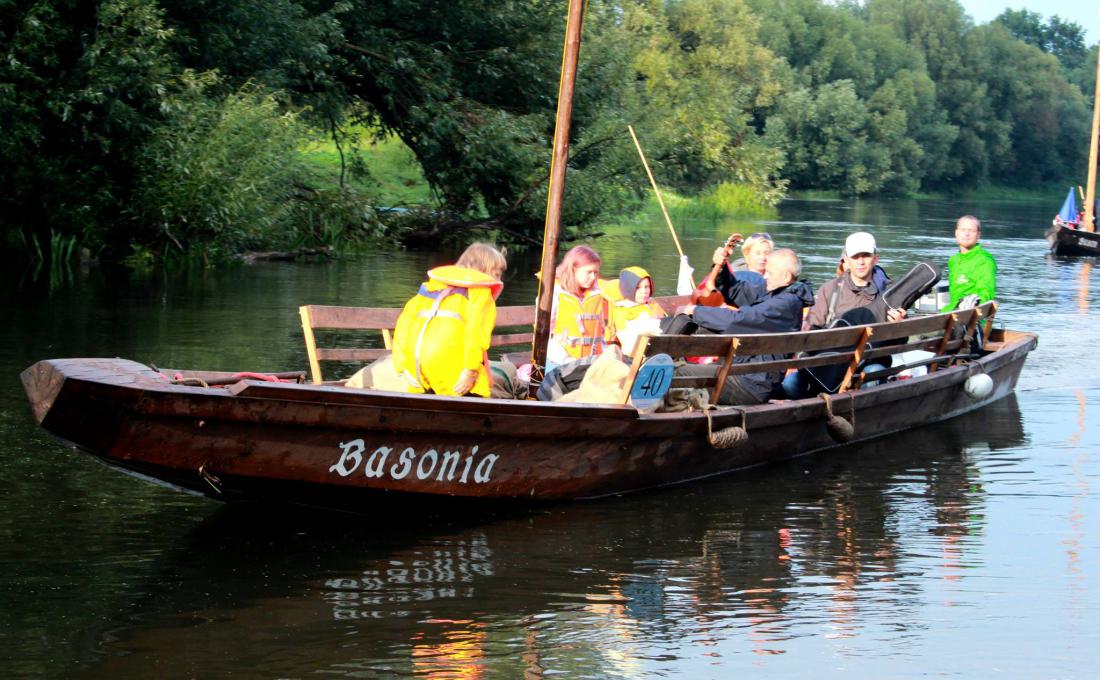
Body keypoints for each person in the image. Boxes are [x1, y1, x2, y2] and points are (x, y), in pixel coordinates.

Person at [671, 249, 815, 405]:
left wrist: (695, 311)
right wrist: (721, 267)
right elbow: (737, 291)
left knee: (677, 372)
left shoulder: (784, 304)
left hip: (750, 384)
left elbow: (737, 321)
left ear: (786, 277)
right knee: (681, 369)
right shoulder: (775, 292)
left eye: (770, 272)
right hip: (742, 371)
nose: (764, 276)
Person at [392, 242, 506, 397]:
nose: (499, 280)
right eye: (497, 274)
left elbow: (402, 328)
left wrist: (401, 367)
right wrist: (470, 371)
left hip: (417, 369)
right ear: (481, 271)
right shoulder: (480, 295)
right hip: (452, 368)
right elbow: (476, 335)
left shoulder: (428, 289)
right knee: (478, 389)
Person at [806, 231, 905, 330]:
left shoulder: (891, 292)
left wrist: (899, 327)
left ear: (875, 259)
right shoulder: (829, 290)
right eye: (855, 256)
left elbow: (902, 339)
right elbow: (812, 330)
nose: (861, 262)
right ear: (846, 260)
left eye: (866, 255)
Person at [546, 245, 609, 372]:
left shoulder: (598, 295)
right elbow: (545, 333)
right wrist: (566, 360)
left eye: (596, 272)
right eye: (589, 272)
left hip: (593, 362)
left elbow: (601, 332)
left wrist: (604, 358)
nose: (593, 277)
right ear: (573, 269)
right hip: (560, 362)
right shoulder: (555, 294)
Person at [605, 266, 667, 352]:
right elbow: (627, 338)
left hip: (660, 346)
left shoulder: (652, 305)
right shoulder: (623, 309)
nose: (644, 291)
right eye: (638, 287)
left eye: (647, 286)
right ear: (628, 289)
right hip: (637, 352)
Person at [943, 215, 996, 311]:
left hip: (971, 319)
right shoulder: (953, 260)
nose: (966, 234)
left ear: (978, 235)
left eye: (971, 231)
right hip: (950, 312)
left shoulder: (984, 260)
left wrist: (973, 304)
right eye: (963, 230)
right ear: (956, 233)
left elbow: (986, 293)